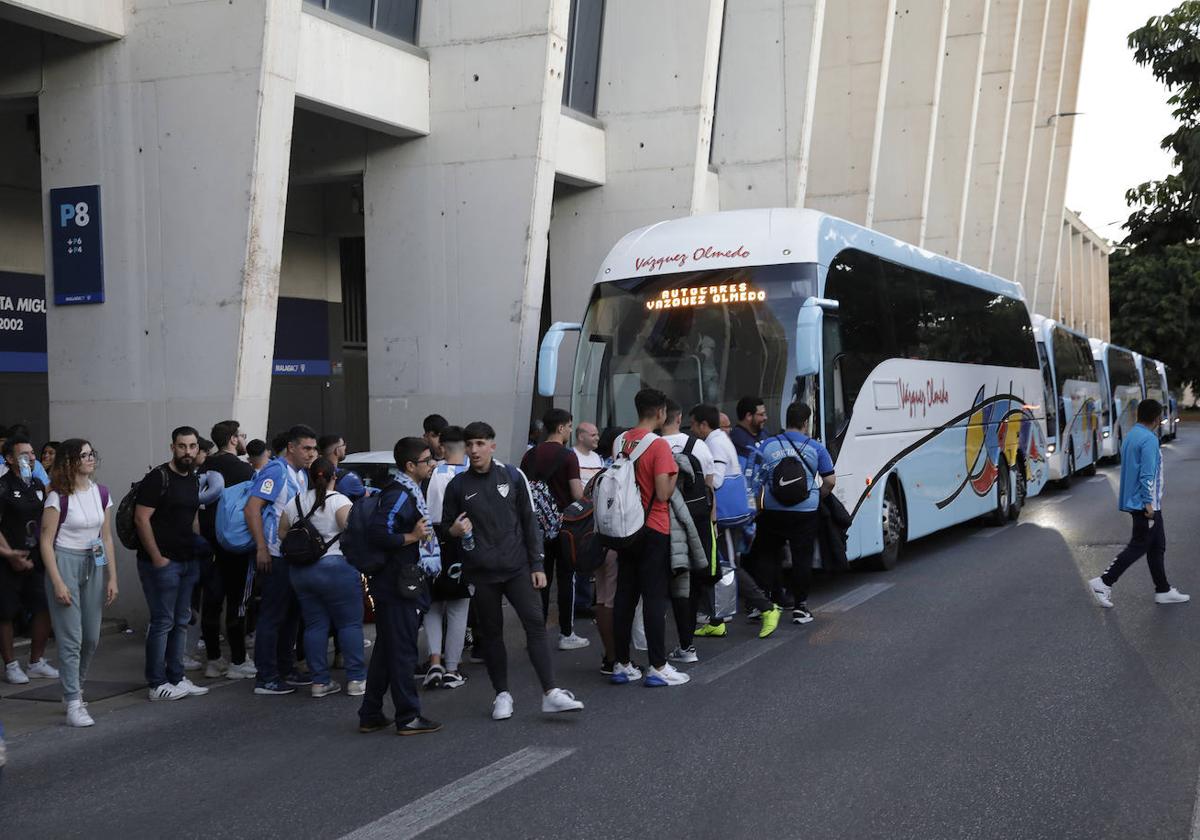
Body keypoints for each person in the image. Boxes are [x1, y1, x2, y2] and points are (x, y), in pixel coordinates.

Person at [443, 421, 584, 720]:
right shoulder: (457, 485)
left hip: (518, 567)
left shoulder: (512, 475)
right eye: (470, 445)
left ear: (492, 445)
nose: (474, 450)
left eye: (480, 443)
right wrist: (453, 530)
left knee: (535, 625)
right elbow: (445, 527)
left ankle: (550, 693)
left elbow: (529, 520)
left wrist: (537, 563)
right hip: (481, 573)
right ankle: (502, 695)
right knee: (492, 634)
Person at [358, 437, 442, 735]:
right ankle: (408, 716)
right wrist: (412, 537)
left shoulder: (409, 491)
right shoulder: (399, 494)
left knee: (386, 649)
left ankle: (370, 713)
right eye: (427, 461)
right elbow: (379, 534)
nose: (432, 465)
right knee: (403, 651)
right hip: (397, 585)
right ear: (410, 466)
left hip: (399, 581)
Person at [609, 389, 689, 687]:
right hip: (653, 527)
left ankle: (621, 664)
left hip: (624, 529)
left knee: (625, 596)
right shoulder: (658, 446)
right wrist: (673, 473)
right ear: (661, 413)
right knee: (655, 597)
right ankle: (657, 666)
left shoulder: (619, 441)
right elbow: (664, 493)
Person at [40, 439, 118, 727]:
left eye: (91, 454)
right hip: (65, 561)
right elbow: (46, 543)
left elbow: (106, 536)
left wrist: (113, 576)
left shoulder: (102, 493)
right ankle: (73, 699)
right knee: (71, 636)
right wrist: (58, 581)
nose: (90, 459)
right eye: (83, 455)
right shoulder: (56, 497)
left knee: (92, 636)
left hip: (93, 561)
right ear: (70, 462)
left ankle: (75, 686)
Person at [1089, 399, 1190, 608]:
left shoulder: (1132, 435)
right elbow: (1147, 475)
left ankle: (1163, 590)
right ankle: (1104, 581)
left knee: (1157, 546)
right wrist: (1149, 505)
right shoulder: (1149, 440)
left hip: (1141, 502)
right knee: (1139, 545)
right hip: (1146, 505)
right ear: (1156, 418)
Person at [133, 426, 209, 701]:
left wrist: (196, 548)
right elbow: (141, 519)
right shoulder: (158, 477)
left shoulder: (192, 478)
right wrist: (157, 558)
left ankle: (176, 678)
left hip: (187, 561)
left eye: (191, 446)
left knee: (180, 621)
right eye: (181, 446)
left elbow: (192, 518)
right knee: (162, 622)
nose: (187, 451)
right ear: (172, 447)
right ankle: (156, 683)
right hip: (161, 563)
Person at [689, 403, 778, 637]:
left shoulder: (715, 443)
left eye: (694, 425)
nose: (693, 430)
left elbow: (716, 481)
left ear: (703, 424)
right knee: (716, 566)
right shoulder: (717, 440)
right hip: (724, 514)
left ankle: (768, 608)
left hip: (725, 516)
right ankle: (717, 620)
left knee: (728, 566)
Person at [282, 457, 365, 698]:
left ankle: (319, 681)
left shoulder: (294, 502)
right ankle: (356, 679)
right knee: (349, 624)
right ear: (333, 478)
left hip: (302, 571)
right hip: (336, 567)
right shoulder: (339, 501)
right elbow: (350, 530)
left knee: (314, 624)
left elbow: (282, 533)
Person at [747, 402, 836, 626]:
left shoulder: (767, 444)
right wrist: (818, 496)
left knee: (767, 555)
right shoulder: (816, 447)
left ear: (787, 420)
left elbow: (754, 479)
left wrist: (757, 506)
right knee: (801, 558)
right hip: (804, 512)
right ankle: (800, 607)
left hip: (772, 511)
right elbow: (830, 480)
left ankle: (763, 604)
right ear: (806, 422)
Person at [246, 424, 317, 695]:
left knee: (291, 616)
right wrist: (262, 548)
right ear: (291, 447)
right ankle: (266, 676)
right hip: (276, 556)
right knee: (273, 616)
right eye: (306, 448)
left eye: (313, 449)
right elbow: (252, 509)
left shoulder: (299, 474)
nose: (311, 454)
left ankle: (286, 669)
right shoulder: (276, 470)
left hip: (292, 556)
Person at [521, 408, 587, 650]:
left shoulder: (529, 456)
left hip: (536, 527)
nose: (570, 430)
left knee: (540, 579)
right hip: (563, 526)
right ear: (560, 428)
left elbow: (524, 491)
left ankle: (536, 635)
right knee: (566, 577)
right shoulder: (568, 456)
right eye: (569, 426)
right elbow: (577, 494)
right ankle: (566, 633)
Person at [659, 401, 716, 663]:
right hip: (693, 523)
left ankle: (650, 648)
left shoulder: (652, 446)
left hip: (659, 523)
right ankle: (687, 642)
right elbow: (709, 487)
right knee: (688, 584)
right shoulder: (698, 446)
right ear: (679, 416)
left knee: (655, 587)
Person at [199, 420, 256, 680]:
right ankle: (238, 660)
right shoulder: (243, 469)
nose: (244, 439)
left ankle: (213, 659)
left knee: (211, 602)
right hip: (235, 545)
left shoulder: (204, 466)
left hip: (207, 544)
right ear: (233, 439)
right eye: (241, 435)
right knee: (237, 603)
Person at [0, 435, 59, 684]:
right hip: (9, 559)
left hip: (36, 557)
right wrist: (9, 554)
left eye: (33, 453)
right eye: (24, 455)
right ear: (10, 459)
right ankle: (11, 664)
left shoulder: (36, 484)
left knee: (43, 607)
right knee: (6, 613)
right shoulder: (2, 487)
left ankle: (36, 661)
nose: (32, 458)